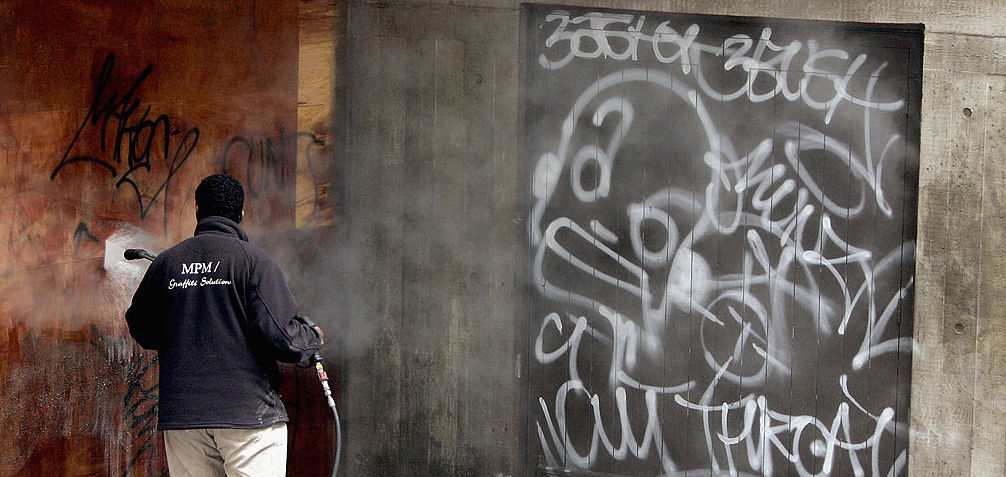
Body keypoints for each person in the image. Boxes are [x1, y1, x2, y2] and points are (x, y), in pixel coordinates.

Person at [125, 174, 323, 477]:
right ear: (240, 214)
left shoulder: (166, 264)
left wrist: (184, 316)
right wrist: (312, 339)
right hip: (247, 418)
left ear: (197, 210)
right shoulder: (253, 262)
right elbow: (284, 339)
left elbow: (143, 330)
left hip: (184, 421)